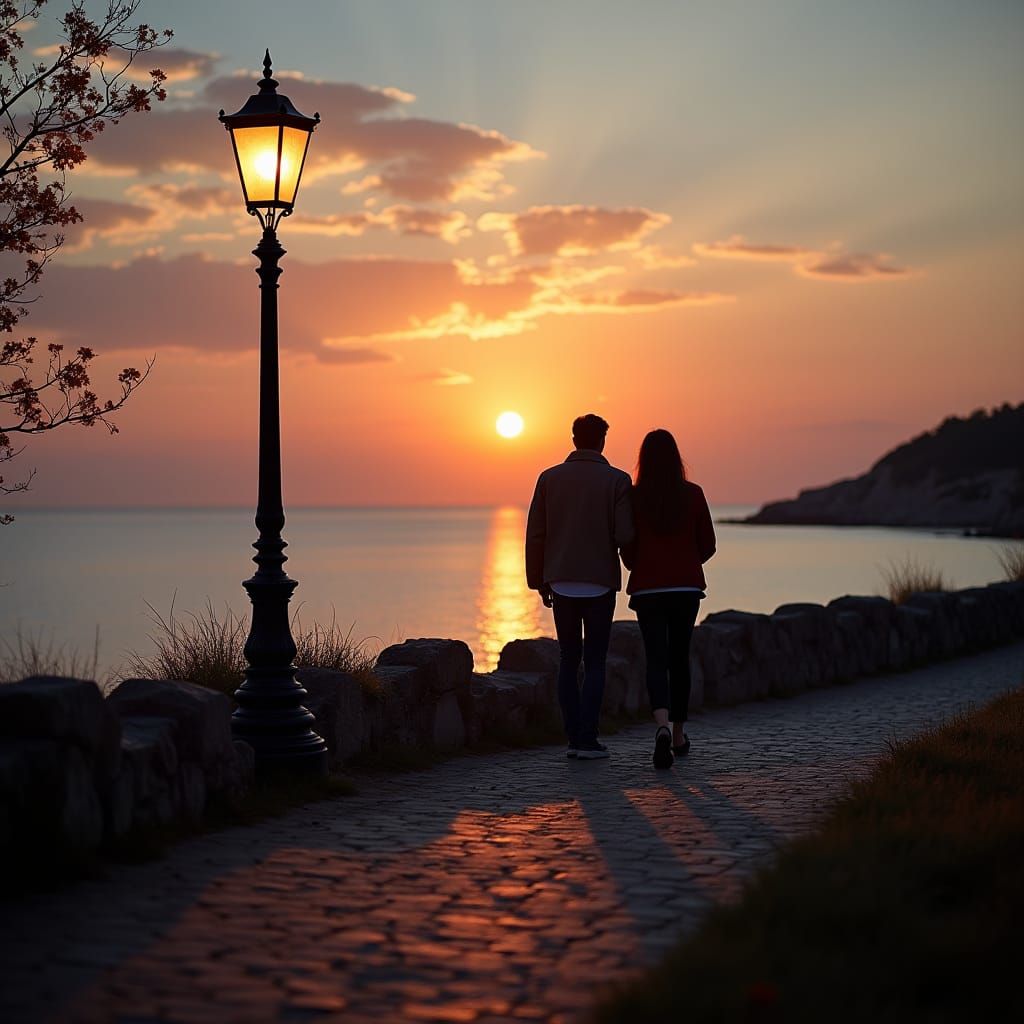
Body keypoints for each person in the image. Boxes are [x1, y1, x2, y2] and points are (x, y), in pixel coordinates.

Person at [526, 414, 634, 759]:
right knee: (596, 662)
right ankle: (588, 737)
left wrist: (538, 580)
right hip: (600, 582)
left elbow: (536, 535)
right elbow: (625, 535)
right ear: (602, 440)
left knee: (568, 660)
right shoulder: (617, 480)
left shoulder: (549, 478)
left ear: (574, 439)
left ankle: (573, 737)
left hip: (560, 580)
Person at [622, 429, 716, 769]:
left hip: (648, 589)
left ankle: (660, 725)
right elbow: (708, 544)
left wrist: (642, 563)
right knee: (679, 658)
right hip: (686, 589)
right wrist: (687, 562)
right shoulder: (693, 495)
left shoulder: (634, 498)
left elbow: (627, 547)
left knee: (656, 659)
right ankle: (678, 734)